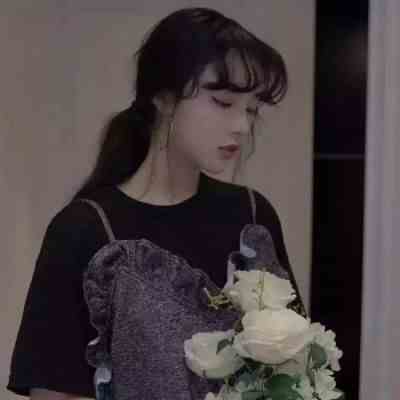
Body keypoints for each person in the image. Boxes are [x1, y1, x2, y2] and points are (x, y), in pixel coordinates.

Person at [7, 7, 307, 400]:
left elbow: (296, 369)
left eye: (251, 109)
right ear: (164, 99)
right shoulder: (84, 230)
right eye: (223, 102)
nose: (242, 125)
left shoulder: (252, 216)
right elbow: (53, 391)